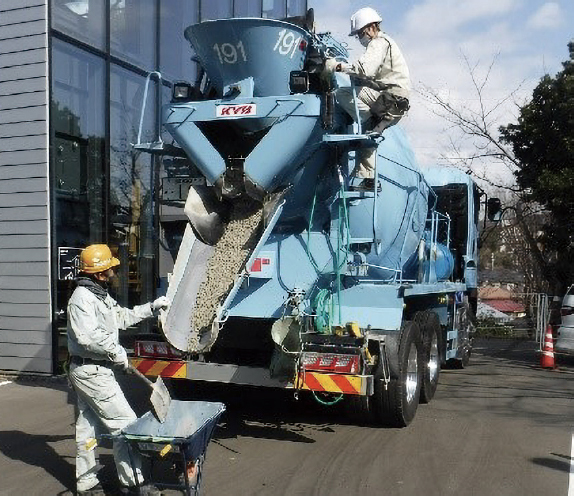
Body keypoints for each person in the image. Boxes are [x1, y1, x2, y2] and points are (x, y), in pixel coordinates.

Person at [67, 244, 170, 495]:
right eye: (110, 269)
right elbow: (87, 337)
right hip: (92, 372)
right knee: (125, 424)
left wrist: (151, 307)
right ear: (99, 273)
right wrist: (116, 351)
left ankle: (87, 483)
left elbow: (121, 317)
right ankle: (134, 484)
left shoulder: (99, 294)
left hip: (92, 370)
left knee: (88, 427)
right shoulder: (82, 299)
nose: (114, 272)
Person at [325, 7, 411, 185]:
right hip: (394, 102)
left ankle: (366, 118)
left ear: (371, 28)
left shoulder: (378, 42)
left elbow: (365, 69)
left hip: (390, 99)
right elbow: (373, 77)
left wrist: (337, 66)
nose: (360, 38)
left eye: (360, 33)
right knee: (368, 133)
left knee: (342, 93)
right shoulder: (387, 43)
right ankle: (368, 179)